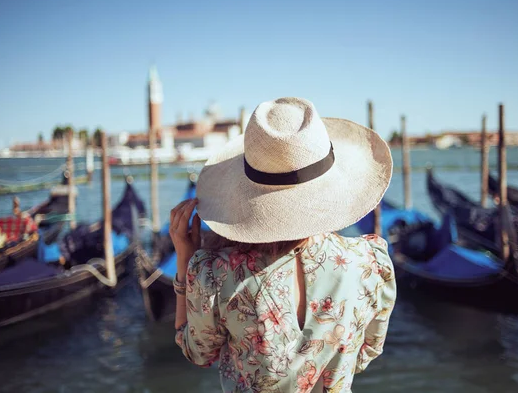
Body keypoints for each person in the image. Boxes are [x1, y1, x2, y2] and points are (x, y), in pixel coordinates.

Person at [170, 97, 396, 392]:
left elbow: (197, 352)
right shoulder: (370, 262)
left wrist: (185, 261)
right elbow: (367, 351)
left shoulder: (213, 273)